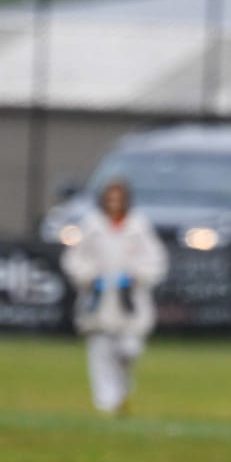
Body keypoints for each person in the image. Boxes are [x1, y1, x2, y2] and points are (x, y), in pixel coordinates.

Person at [60, 178, 167, 417]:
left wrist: (136, 277)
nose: (114, 204)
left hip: (129, 300)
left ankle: (122, 392)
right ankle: (106, 405)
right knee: (100, 352)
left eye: (118, 199)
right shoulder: (92, 225)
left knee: (129, 350)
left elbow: (156, 261)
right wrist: (89, 277)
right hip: (98, 299)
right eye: (110, 199)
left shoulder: (138, 225)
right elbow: (73, 259)